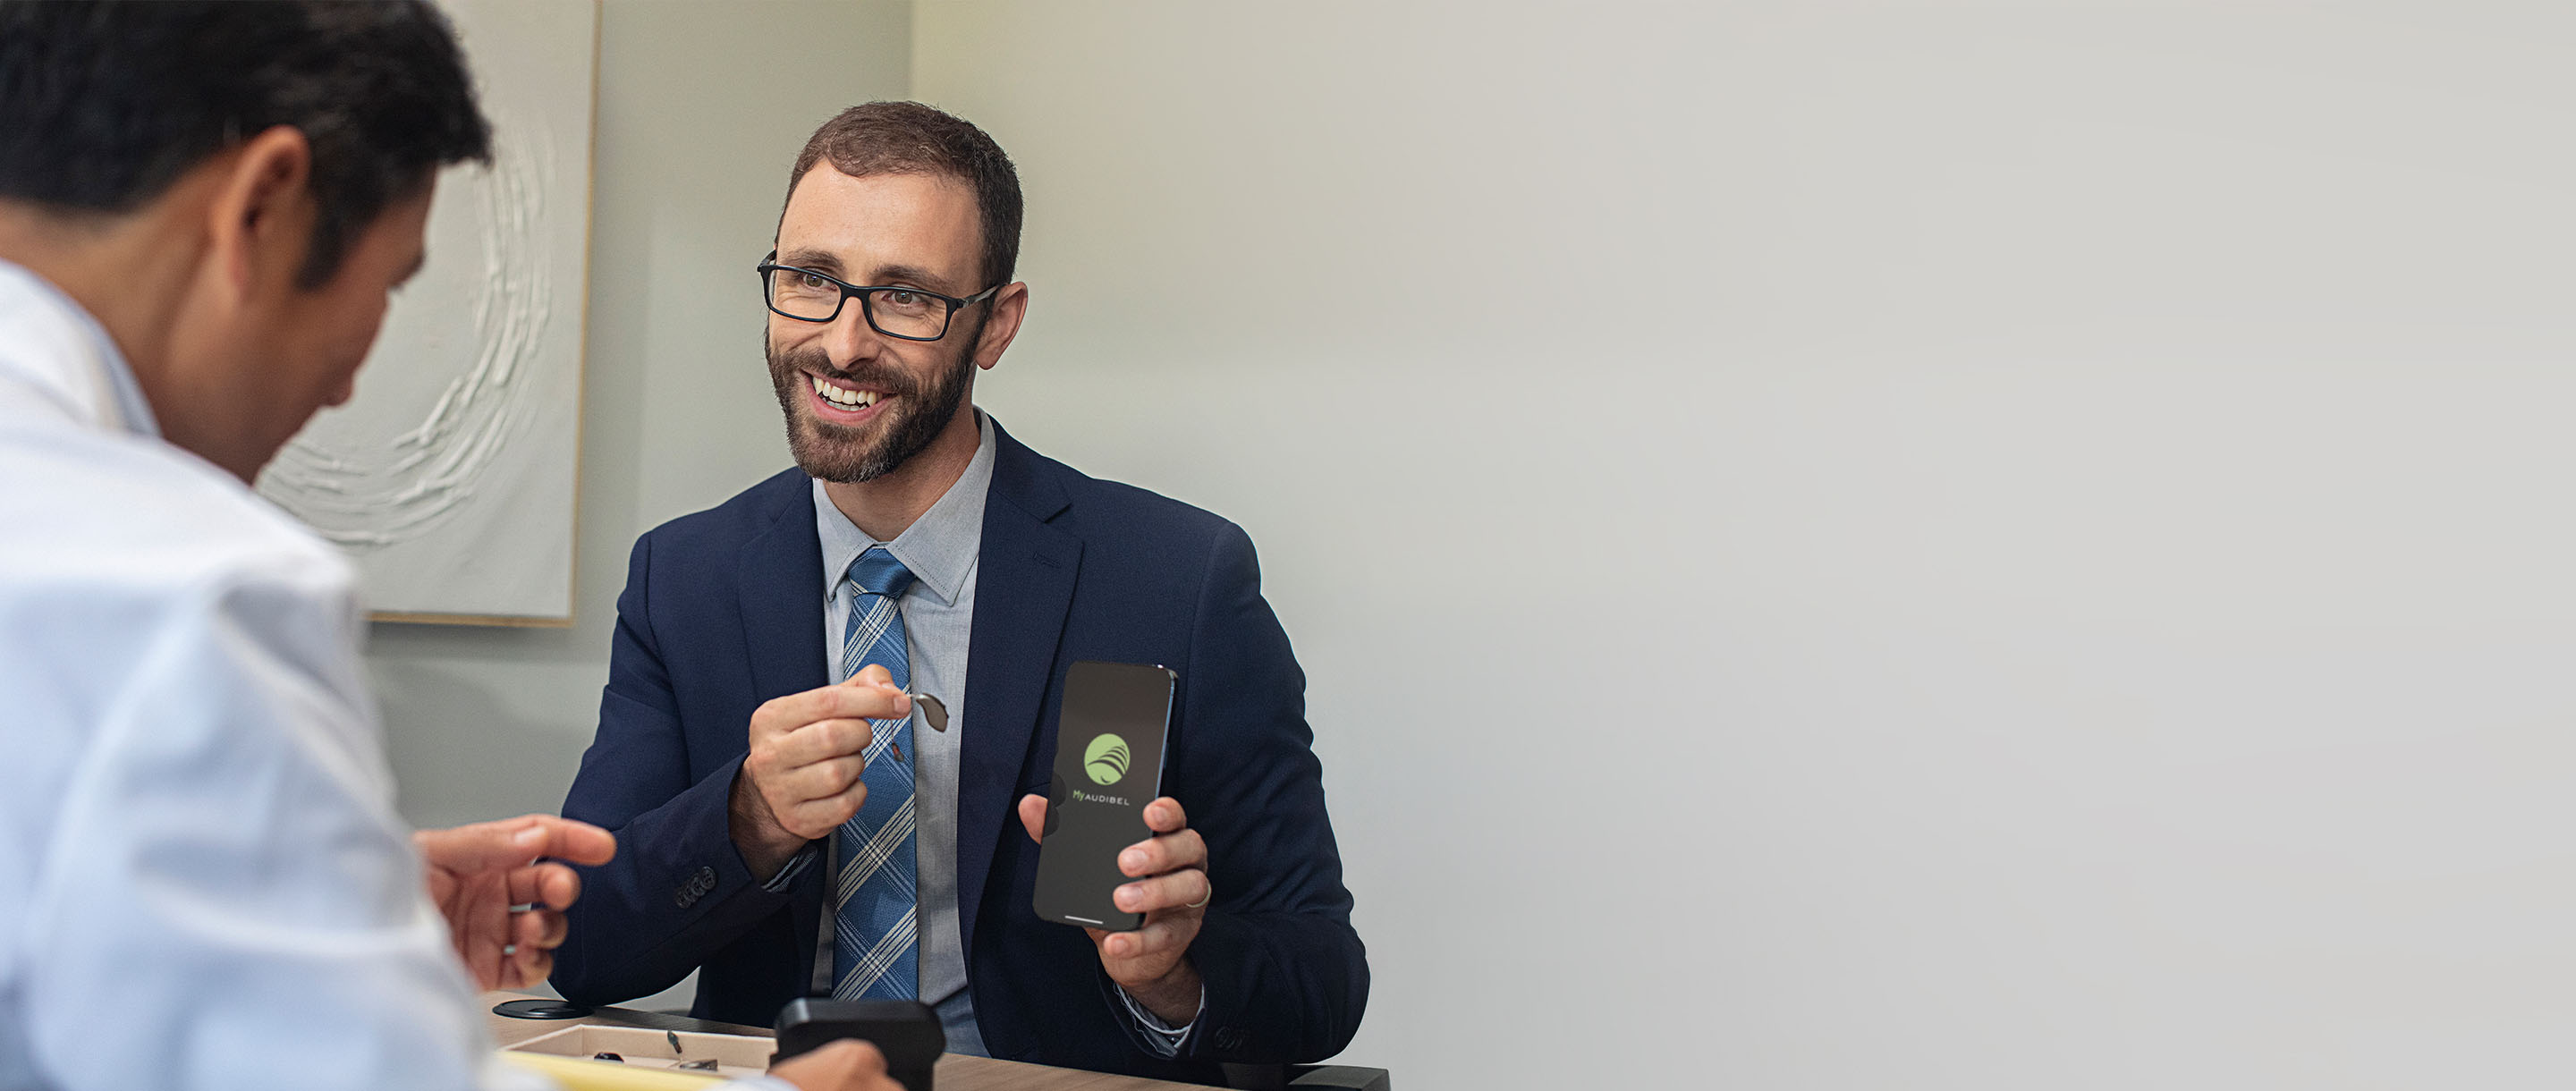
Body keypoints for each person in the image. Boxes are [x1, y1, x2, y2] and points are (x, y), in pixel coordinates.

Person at [0, 4, 890, 1089]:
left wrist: (307, 888)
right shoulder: (182, 593)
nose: (342, 383)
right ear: (265, 207)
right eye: (385, 289)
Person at [549, 102, 1368, 1082]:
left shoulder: (1177, 582)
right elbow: (580, 945)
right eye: (810, 280)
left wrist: (1175, 974)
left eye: (904, 297)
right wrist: (748, 820)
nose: (843, 345)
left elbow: (1324, 975)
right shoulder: (681, 580)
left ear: (996, 323)